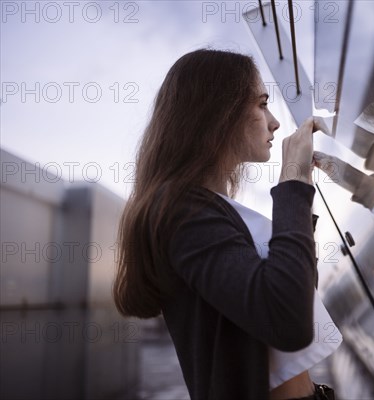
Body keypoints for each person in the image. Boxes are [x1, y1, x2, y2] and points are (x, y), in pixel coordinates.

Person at [112, 48, 339, 399]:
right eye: (262, 104)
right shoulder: (183, 212)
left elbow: (294, 289)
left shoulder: (208, 208)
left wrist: (300, 191)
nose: (274, 122)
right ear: (220, 112)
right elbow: (288, 320)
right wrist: (291, 181)